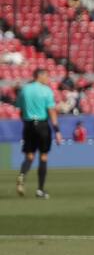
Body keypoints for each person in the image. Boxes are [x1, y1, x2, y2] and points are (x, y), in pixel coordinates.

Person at [16, 68, 63, 199]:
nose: (48, 79)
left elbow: (20, 108)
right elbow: (51, 112)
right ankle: (40, 190)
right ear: (40, 76)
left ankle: (22, 175)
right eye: (46, 76)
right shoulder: (46, 90)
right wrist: (57, 131)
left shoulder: (24, 90)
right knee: (43, 156)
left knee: (29, 156)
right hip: (42, 125)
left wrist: (26, 121)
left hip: (28, 124)